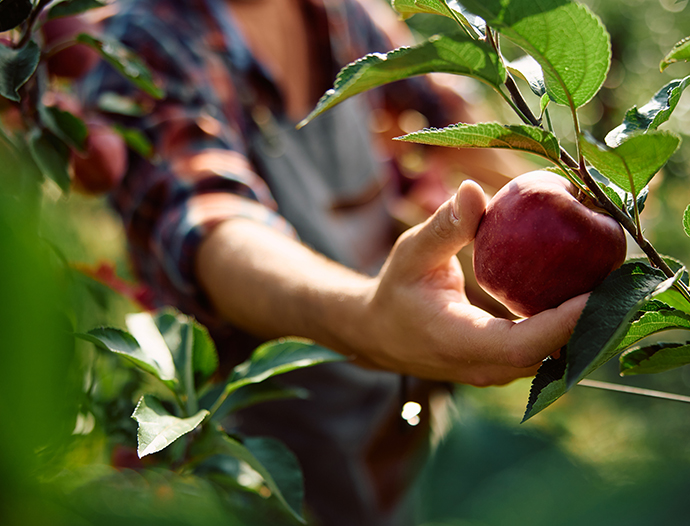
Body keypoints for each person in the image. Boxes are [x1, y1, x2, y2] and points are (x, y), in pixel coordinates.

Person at [76, 0, 588, 523]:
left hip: (398, 423)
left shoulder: (338, 11)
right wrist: (370, 317)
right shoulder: (146, 42)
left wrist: (578, 215)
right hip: (259, 463)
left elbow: (453, 121)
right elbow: (210, 226)